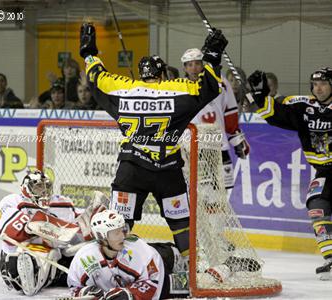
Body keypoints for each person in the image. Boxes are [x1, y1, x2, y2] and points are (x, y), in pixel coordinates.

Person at [79, 23, 227, 258]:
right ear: (162, 74)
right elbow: (209, 88)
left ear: (141, 74)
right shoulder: (178, 89)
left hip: (132, 169)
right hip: (168, 170)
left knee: (119, 223)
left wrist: (89, 53)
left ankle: (119, 268)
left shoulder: (122, 88)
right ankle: (192, 273)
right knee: (181, 224)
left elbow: (96, 78)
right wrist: (212, 56)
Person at [248, 68, 332, 280]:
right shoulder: (304, 106)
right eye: (314, 84)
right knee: (317, 206)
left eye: (323, 83)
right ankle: (331, 260)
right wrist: (260, 95)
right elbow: (274, 115)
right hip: (324, 171)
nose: (318, 88)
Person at [0, 170, 108, 296]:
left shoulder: (61, 203)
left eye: (47, 186)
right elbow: (9, 229)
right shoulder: (13, 200)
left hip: (55, 258)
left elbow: (79, 226)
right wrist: (38, 228)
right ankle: (30, 274)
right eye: (38, 186)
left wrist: (93, 216)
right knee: (31, 256)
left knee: (72, 252)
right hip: (16, 255)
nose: (44, 190)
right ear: (26, 188)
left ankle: (43, 277)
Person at [67, 209, 188, 299]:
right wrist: (85, 292)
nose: (122, 236)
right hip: (139, 268)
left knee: (188, 285)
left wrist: (130, 294)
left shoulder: (139, 251)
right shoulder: (84, 257)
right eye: (115, 233)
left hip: (163, 260)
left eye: (123, 230)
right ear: (101, 237)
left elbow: (154, 280)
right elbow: (74, 287)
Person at [181, 48, 250, 191]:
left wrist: (236, 138)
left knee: (221, 193)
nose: (194, 68)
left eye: (197, 63)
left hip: (219, 145)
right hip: (192, 147)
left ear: (204, 64)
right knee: (197, 193)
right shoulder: (178, 87)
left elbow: (230, 112)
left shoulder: (222, 82)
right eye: (189, 64)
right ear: (184, 68)